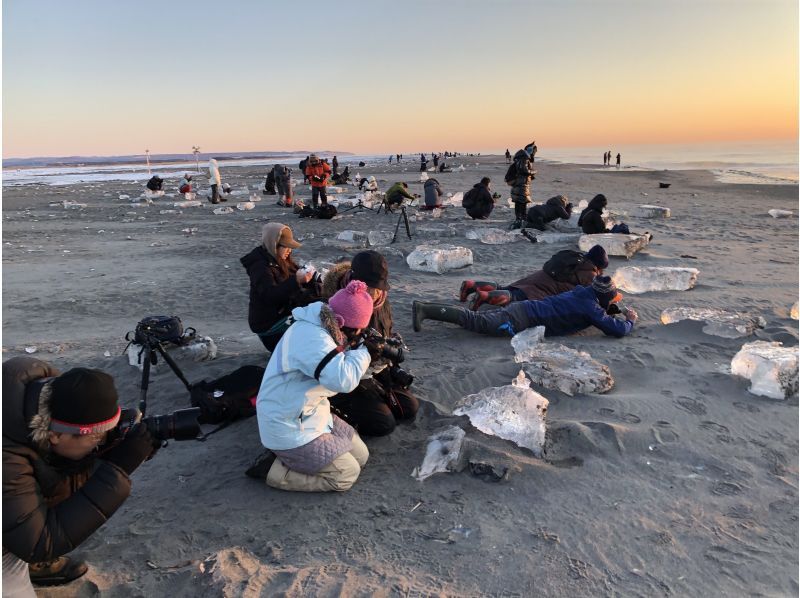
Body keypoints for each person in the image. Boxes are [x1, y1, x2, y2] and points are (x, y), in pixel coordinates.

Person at [3, 357, 160, 595]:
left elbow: (57, 469)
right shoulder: (7, 459)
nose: (101, 443)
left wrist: (115, 448)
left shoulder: (44, 397)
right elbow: (38, 543)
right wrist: (115, 472)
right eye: (97, 437)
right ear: (55, 435)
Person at [247, 281, 376, 492]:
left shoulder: (323, 327)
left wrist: (371, 354)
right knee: (346, 475)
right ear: (342, 323)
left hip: (311, 414)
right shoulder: (310, 337)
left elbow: (337, 369)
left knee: (361, 456)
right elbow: (342, 380)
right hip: (287, 424)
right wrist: (365, 352)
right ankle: (273, 470)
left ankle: (295, 459)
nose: (359, 333)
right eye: (358, 330)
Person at [321, 251, 419, 436]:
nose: (375, 292)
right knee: (383, 424)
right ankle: (334, 407)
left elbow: (384, 335)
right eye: (370, 287)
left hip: (373, 366)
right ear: (354, 280)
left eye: (380, 286)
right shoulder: (335, 302)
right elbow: (331, 358)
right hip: (346, 374)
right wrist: (363, 380)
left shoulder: (381, 299)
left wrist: (390, 364)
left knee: (408, 408)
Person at [412, 275, 637, 338]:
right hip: (522, 319)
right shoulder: (592, 308)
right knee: (476, 322)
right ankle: (425, 309)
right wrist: (630, 320)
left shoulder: (583, 293)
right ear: (605, 297)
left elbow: (593, 309)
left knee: (478, 321)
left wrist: (611, 310)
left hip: (525, 308)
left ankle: (428, 309)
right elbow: (616, 330)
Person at [240, 223, 320, 352]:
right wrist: (296, 280)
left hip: (283, 313)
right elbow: (269, 295)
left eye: (290, 247)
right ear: (274, 244)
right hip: (270, 325)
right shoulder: (260, 267)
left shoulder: (281, 260)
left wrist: (311, 279)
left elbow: (296, 281)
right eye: (286, 246)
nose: (289, 250)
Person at [458, 245, 608, 309]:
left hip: (536, 278)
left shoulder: (577, 260)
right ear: (599, 265)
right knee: (513, 297)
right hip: (542, 290)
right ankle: (484, 297)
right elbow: (592, 297)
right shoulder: (590, 274)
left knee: (506, 288)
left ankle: (472, 285)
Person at [510, 142, 536, 224]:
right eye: (534, 151)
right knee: (522, 201)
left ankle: (519, 218)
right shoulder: (524, 158)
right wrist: (533, 172)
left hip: (519, 183)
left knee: (519, 201)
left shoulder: (521, 158)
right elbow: (524, 170)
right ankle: (521, 218)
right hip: (521, 183)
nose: (534, 153)